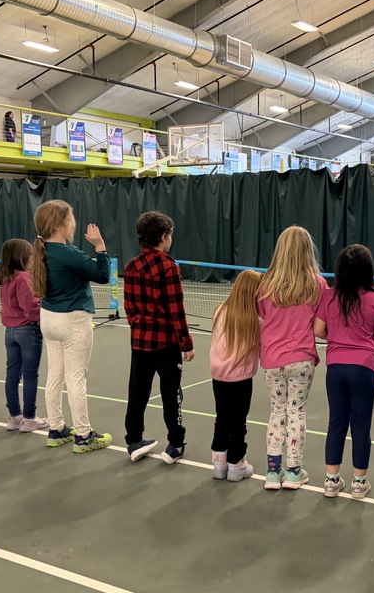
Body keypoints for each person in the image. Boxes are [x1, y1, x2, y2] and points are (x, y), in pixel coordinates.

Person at [30, 200, 112, 454]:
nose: (73, 223)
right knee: (76, 378)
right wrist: (100, 247)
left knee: (55, 375)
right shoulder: (68, 253)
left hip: (48, 319)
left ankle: (56, 429)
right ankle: (84, 436)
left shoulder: (42, 251)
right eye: (70, 218)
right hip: (72, 322)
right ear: (60, 224)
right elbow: (102, 275)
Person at [314, 244, 374, 499]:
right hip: (364, 369)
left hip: (335, 368)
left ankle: (331, 480)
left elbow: (318, 330)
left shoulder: (329, 296)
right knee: (361, 425)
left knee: (336, 422)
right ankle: (359, 483)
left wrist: (337, 337)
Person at [258, 226, 328, 491]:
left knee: (277, 411)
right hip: (302, 359)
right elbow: (321, 324)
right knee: (296, 412)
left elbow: (262, 316)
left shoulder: (266, 284)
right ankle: (294, 472)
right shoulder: (318, 285)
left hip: (272, 359)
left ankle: (272, 473)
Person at [123, 211, 195, 464]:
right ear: (164, 237)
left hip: (139, 342)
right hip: (166, 345)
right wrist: (186, 343)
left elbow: (129, 307)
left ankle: (134, 440)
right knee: (171, 394)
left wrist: (139, 326)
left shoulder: (131, 266)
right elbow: (176, 310)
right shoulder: (168, 267)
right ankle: (175, 444)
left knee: (137, 392)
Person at [209, 270, 263, 483]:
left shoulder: (219, 311)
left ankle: (219, 463)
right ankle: (236, 464)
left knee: (222, 417)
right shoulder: (256, 320)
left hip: (218, 377)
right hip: (241, 379)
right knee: (239, 420)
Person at [0, 238, 46, 433]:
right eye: (30, 255)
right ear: (22, 257)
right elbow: (31, 307)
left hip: (10, 332)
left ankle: (14, 417)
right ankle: (30, 418)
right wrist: (47, 316)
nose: (33, 258)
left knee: (12, 375)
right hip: (28, 331)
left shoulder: (4, 277)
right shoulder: (23, 278)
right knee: (30, 375)